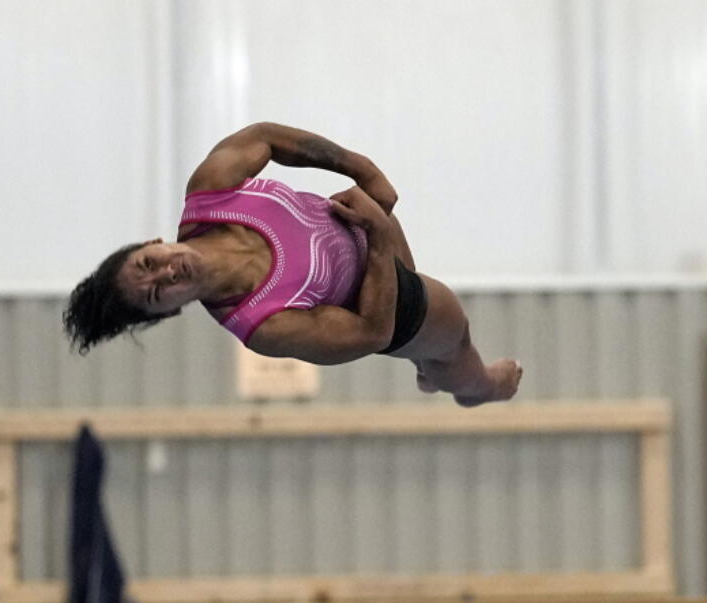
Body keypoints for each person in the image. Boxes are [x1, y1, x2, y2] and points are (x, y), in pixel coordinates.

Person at [64, 122, 522, 406]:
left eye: (149, 262)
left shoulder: (211, 192)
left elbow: (265, 136)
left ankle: (431, 370)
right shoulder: (264, 325)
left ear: (153, 242)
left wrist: (362, 170)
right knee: (455, 340)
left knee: (417, 292)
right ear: (169, 311)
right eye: (157, 292)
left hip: (369, 224)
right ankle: (474, 389)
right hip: (392, 303)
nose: (167, 273)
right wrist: (378, 237)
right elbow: (371, 333)